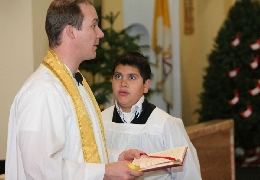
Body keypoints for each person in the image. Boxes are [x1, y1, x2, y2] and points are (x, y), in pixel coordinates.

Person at [5, 1, 144, 179]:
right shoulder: (44, 90)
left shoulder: (74, 81)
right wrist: (104, 171)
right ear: (71, 31)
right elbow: (40, 169)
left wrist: (116, 158)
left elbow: (78, 149)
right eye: (94, 25)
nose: (100, 33)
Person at [101, 51, 202, 180]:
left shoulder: (165, 124)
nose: (123, 83)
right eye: (118, 76)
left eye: (132, 77)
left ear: (146, 85)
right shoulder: (100, 121)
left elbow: (189, 175)